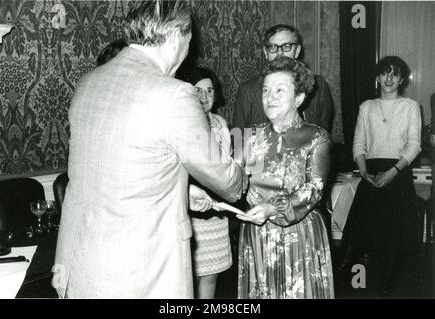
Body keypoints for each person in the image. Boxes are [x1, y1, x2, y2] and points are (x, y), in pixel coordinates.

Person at [52, 0, 244, 299]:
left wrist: (181, 189)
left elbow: (121, 163)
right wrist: (241, 178)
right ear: (177, 37)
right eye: (189, 43)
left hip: (83, 261)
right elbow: (223, 178)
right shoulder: (173, 93)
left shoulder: (89, 82)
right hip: (140, 267)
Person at [235, 56, 334, 299]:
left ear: (299, 98)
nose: (270, 97)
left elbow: (313, 189)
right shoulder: (249, 136)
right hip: (257, 233)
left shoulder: (316, 137)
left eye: (280, 90)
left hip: (299, 235)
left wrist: (272, 207)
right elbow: (232, 179)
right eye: (266, 90)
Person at [340, 56, 421, 297]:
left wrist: (394, 172)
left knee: (393, 236)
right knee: (360, 233)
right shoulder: (366, 107)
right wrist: (363, 170)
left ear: (401, 79)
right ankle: (355, 285)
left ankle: (386, 286)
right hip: (371, 173)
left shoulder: (410, 107)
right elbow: (358, 143)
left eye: (394, 74)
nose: (388, 78)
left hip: (398, 173)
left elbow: (414, 146)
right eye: (384, 73)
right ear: (377, 77)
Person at [185, 67, 233, 299]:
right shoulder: (180, 124)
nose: (204, 97)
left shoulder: (221, 123)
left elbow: (226, 165)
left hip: (217, 208)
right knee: (190, 276)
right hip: (192, 208)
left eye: (209, 91)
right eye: (198, 90)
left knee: (211, 275)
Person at [232, 24, 333, 132]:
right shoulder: (247, 91)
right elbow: (237, 139)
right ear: (266, 52)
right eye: (273, 47)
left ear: (297, 50)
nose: (279, 53)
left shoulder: (318, 86)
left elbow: (323, 133)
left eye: (287, 46)